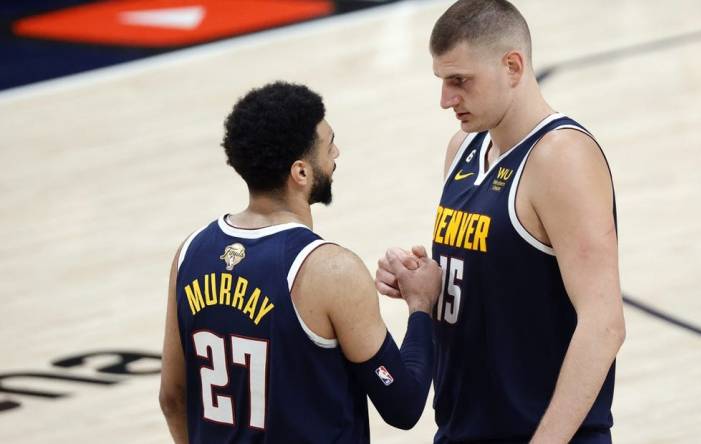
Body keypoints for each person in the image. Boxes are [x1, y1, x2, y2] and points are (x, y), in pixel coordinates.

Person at [375, 1, 626, 443]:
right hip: (461, 429)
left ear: (512, 66)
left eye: (459, 81)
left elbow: (603, 323)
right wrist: (425, 289)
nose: (445, 100)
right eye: (442, 82)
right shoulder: (463, 149)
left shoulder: (560, 156)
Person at [158, 81, 442, 443]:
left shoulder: (190, 253)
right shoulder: (329, 270)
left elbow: (172, 398)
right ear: (301, 173)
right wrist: (422, 305)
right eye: (328, 145)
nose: (336, 153)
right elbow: (403, 405)